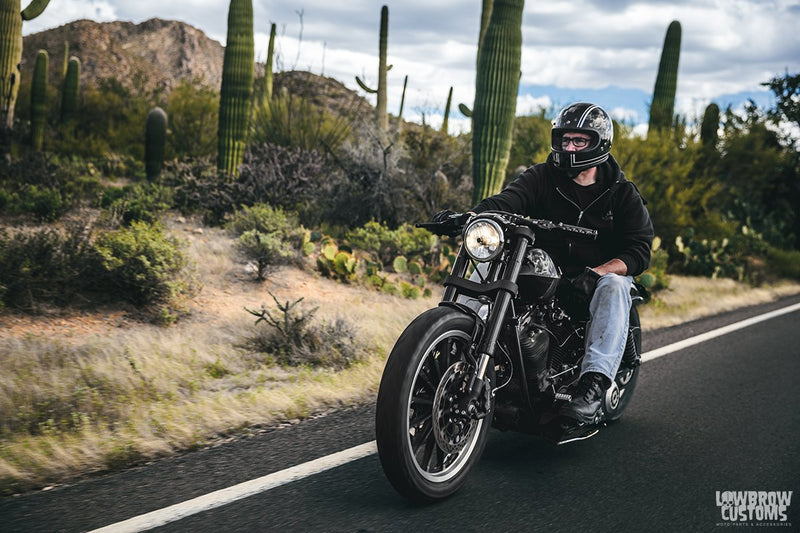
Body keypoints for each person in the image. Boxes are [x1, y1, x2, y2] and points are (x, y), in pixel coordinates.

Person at [437, 102, 654, 428]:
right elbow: (506, 202)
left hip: (590, 281)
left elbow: (639, 249)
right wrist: (472, 217)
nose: (569, 148)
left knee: (616, 285)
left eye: (579, 141)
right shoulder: (542, 176)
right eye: (565, 140)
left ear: (599, 143)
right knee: (485, 266)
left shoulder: (622, 193)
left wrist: (598, 273)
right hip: (543, 269)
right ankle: (447, 348)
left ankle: (593, 385)